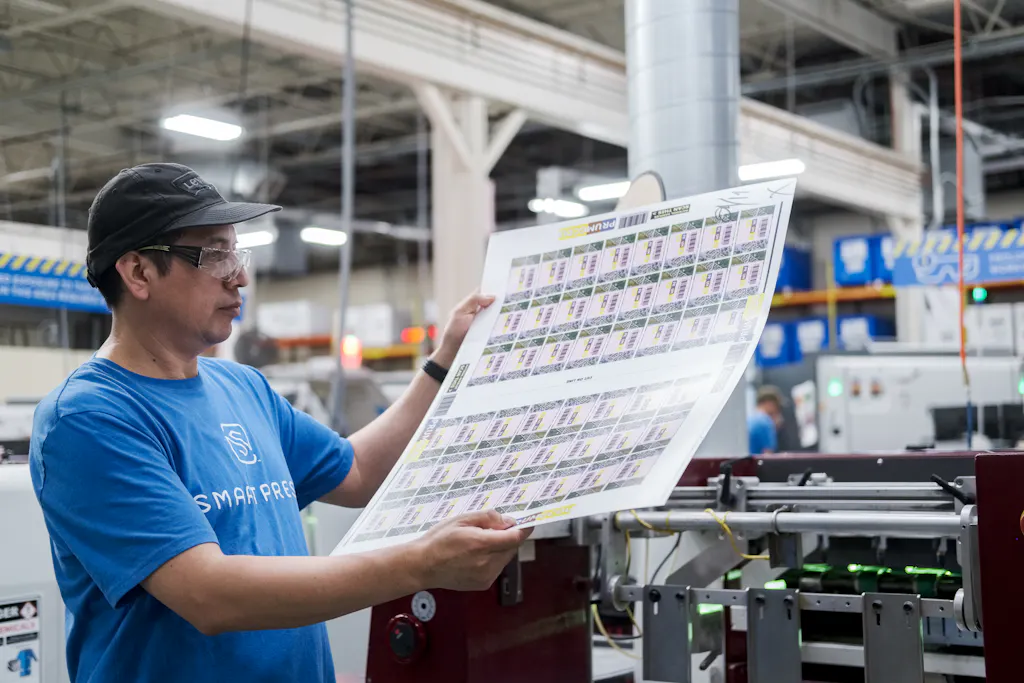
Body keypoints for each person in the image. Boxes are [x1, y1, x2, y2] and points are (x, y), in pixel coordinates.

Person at [28, 162, 532, 683]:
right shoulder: (88, 419)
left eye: (236, 252)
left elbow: (358, 471)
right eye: (214, 254)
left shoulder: (243, 388)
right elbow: (209, 594)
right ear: (138, 273)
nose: (239, 274)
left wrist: (444, 361)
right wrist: (419, 564)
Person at [748, 385, 785, 454]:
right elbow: (768, 456)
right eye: (777, 406)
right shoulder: (765, 422)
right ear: (769, 403)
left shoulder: (749, 418)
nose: (777, 410)